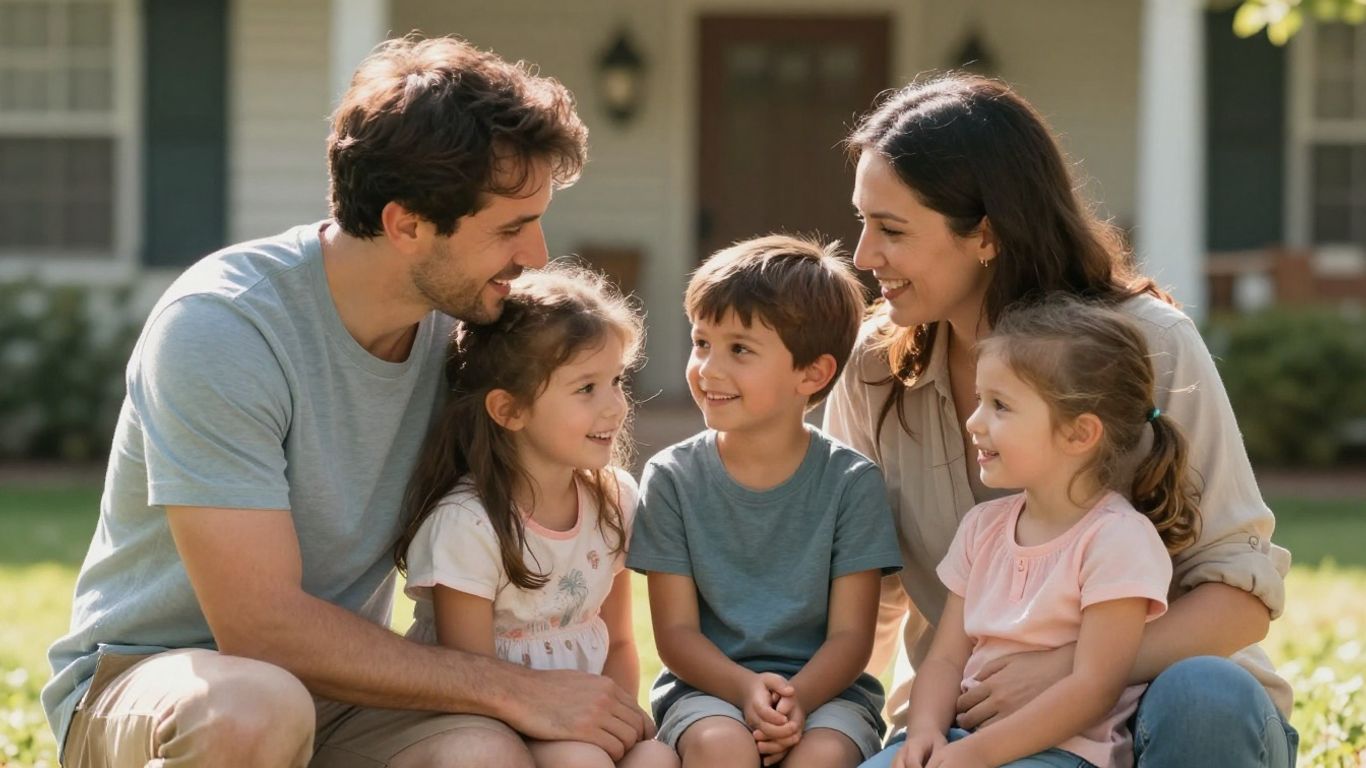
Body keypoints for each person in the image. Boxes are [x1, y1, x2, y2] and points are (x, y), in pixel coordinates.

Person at [44, 36, 652, 768]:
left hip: (345, 693)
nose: (535, 255)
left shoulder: (466, 334)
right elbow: (260, 630)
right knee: (255, 708)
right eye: (510, 227)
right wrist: (511, 686)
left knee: (483, 752)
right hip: (156, 683)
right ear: (406, 225)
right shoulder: (224, 327)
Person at [825, 74, 1297, 768]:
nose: (864, 256)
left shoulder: (1149, 342)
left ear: (985, 234)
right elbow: (861, 597)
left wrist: (1071, 668)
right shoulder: (875, 370)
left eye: (891, 229)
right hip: (967, 730)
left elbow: (1239, 592)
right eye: (863, 222)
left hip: (1162, 717)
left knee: (1208, 695)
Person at [865, 297, 1196, 768]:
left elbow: (1094, 688)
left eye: (1000, 406)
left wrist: (977, 755)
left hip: (1063, 753)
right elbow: (944, 660)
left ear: (1079, 434)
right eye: (980, 401)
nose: (974, 422)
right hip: (963, 739)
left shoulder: (1119, 540)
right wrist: (923, 734)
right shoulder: (982, 528)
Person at [627, 235, 905, 768]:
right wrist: (745, 691)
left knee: (822, 755)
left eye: (740, 349)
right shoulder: (671, 478)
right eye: (701, 342)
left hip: (829, 695)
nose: (708, 369)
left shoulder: (852, 483)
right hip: (706, 691)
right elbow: (676, 635)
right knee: (722, 747)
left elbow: (851, 637)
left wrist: (794, 701)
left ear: (813, 373)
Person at [393, 265, 678, 768]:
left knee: (655, 760)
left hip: (584, 718)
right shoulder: (469, 524)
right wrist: (581, 739)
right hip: (493, 723)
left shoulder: (612, 500)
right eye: (586, 388)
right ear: (509, 410)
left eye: (616, 381)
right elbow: (475, 685)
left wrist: (614, 720)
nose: (615, 406)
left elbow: (618, 642)